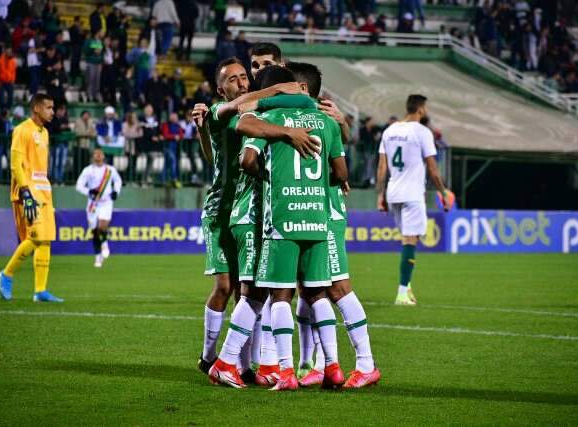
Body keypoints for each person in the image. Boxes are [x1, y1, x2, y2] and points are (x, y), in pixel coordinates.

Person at [220, 65, 348, 391]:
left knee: (271, 294)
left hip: (276, 217)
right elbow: (342, 173)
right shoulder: (325, 121)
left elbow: (245, 155)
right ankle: (332, 365)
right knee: (317, 293)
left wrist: (271, 174)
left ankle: (268, 368)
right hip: (315, 218)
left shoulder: (267, 119)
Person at [193, 57, 307, 379]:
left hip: (247, 211)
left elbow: (216, 155)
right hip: (221, 210)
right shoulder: (220, 110)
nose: (242, 83)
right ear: (220, 89)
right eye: (234, 79)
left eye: (245, 77)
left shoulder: (254, 114)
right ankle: (209, 356)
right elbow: (238, 112)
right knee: (225, 287)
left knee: (250, 288)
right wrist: (280, 87)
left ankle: (244, 363)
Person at [376, 95, 452, 306]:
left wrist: (380, 195)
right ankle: (401, 293)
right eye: (425, 107)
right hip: (412, 194)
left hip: (393, 193)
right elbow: (433, 169)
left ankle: (406, 287)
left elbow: (382, 167)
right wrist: (443, 193)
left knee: (409, 240)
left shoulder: (389, 131)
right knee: (410, 242)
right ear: (420, 108)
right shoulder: (422, 132)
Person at [0, 94, 64, 303]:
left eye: (53, 108)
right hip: (28, 191)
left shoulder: (44, 133)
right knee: (34, 237)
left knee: (45, 240)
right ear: (36, 108)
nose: (52, 112)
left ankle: (40, 290)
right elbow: (16, 164)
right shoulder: (22, 130)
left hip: (44, 190)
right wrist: (25, 192)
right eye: (48, 107)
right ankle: (6, 274)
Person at [75, 148, 122, 268]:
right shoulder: (88, 170)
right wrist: (88, 191)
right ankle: (98, 256)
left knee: (103, 225)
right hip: (93, 203)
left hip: (106, 202)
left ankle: (105, 242)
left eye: (100, 154)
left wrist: (116, 191)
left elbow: (118, 181)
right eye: (96, 154)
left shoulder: (110, 170)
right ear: (93, 156)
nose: (98, 155)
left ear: (104, 156)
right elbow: (79, 185)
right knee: (94, 230)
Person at [49, 103, 72, 184]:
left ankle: (60, 180)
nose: (62, 112)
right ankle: (53, 180)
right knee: (54, 163)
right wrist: (60, 128)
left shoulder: (66, 120)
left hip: (64, 144)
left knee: (62, 163)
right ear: (57, 111)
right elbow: (51, 129)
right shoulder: (52, 119)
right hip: (55, 144)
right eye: (60, 110)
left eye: (63, 110)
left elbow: (69, 130)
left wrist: (65, 127)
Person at [160, 112, 183, 187]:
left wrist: (177, 136)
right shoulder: (166, 125)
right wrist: (174, 137)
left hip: (175, 147)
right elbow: (165, 135)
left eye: (175, 117)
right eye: (173, 117)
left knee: (167, 164)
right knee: (173, 161)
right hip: (167, 147)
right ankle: (174, 178)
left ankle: (162, 180)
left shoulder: (178, 125)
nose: (175, 119)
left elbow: (181, 134)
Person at [82, 30, 104, 102]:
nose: (102, 32)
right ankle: (89, 95)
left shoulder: (100, 41)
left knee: (97, 81)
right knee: (90, 79)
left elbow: (102, 53)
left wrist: (101, 61)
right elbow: (85, 51)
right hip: (91, 62)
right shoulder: (89, 41)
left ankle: (95, 95)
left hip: (98, 63)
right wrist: (93, 50)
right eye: (101, 31)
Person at [0, 47, 17, 111]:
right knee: (1, 98)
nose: (10, 53)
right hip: (1, 82)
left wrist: (12, 80)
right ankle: (2, 110)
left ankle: (8, 110)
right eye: (9, 52)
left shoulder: (12, 61)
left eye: (10, 52)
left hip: (10, 82)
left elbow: (13, 71)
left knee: (10, 98)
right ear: (5, 52)